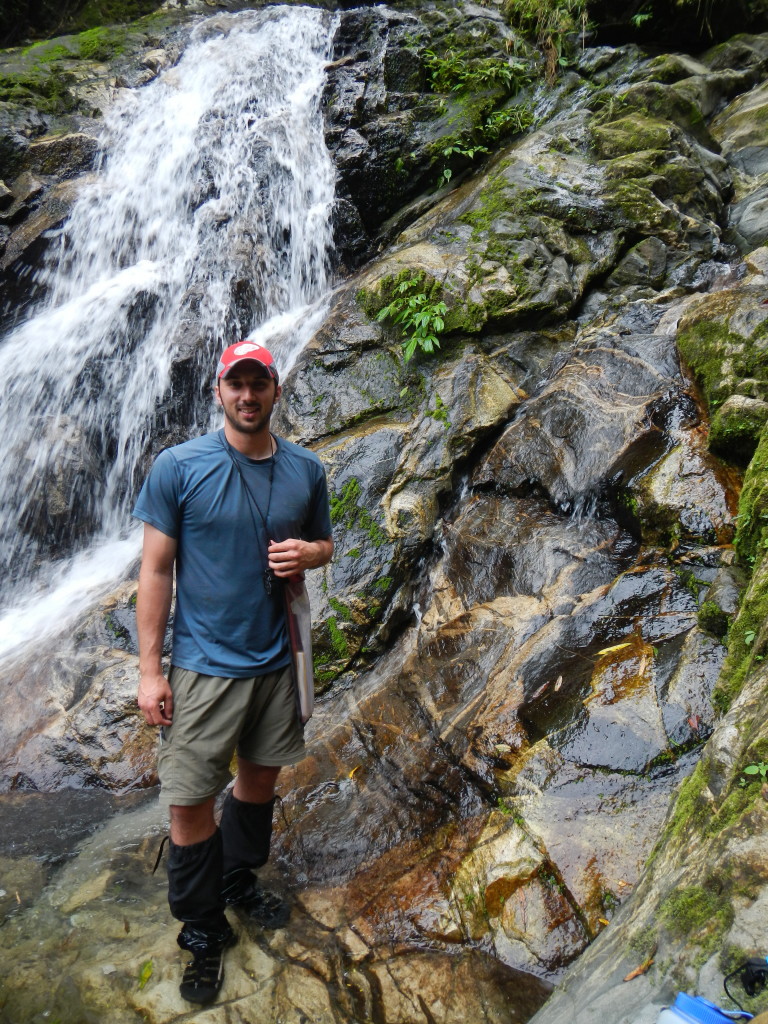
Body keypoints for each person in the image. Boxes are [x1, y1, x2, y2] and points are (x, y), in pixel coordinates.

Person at [133, 340, 333, 1005]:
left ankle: (238, 880)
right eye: (235, 384)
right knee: (190, 802)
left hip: (278, 661)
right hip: (202, 668)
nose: (248, 395)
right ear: (218, 392)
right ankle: (200, 929)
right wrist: (149, 672)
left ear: (276, 391)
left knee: (258, 781)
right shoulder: (179, 468)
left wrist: (310, 551)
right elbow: (155, 571)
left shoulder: (306, 470)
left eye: (259, 383)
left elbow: (326, 543)